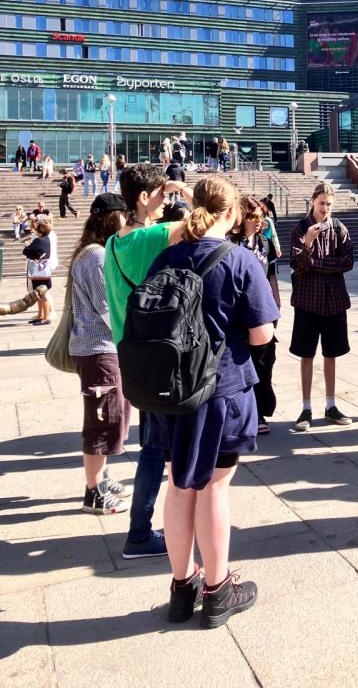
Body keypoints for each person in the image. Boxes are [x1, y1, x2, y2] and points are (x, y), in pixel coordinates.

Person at [145, 176, 278, 628]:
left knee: (178, 484)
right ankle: (219, 590)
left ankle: (182, 588)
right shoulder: (240, 260)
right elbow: (262, 336)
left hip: (167, 392)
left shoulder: (166, 257)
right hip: (219, 390)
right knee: (214, 488)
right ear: (233, 212)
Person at [103, 163, 194, 559]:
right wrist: (184, 189)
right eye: (160, 193)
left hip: (130, 354)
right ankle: (139, 533)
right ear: (143, 198)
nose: (165, 198)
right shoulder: (152, 236)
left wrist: (166, 189)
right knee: (156, 448)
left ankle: (145, 529)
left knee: (154, 441)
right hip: (158, 354)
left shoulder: (113, 243)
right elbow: (213, 218)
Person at [69, 193, 132, 515]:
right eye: (124, 216)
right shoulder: (95, 256)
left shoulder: (92, 252)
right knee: (102, 421)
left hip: (99, 349)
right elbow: (107, 308)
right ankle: (93, 492)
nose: (127, 222)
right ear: (112, 218)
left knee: (109, 416)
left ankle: (101, 478)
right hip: (99, 350)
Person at [289, 183, 354, 430]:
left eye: (328, 204)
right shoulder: (301, 228)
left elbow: (347, 262)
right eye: (321, 203)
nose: (325, 208)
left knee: (331, 354)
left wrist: (317, 265)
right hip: (307, 300)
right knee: (306, 354)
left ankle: (330, 405)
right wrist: (308, 243)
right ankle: (306, 408)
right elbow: (297, 263)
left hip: (334, 300)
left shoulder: (339, 228)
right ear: (313, 202)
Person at [231, 195, 281, 434]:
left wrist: (276, 303)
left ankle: (260, 410)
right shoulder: (232, 242)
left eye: (262, 217)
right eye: (254, 217)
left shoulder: (265, 242)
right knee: (242, 362)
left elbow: (272, 274)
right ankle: (244, 413)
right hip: (239, 309)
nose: (259, 221)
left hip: (263, 308)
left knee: (264, 361)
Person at [23, 216, 57, 325]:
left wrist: (27, 246)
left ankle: (45, 317)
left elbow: (26, 251)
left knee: (42, 295)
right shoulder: (46, 239)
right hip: (44, 271)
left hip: (39, 272)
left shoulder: (38, 240)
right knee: (39, 295)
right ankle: (41, 316)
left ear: (40, 230)